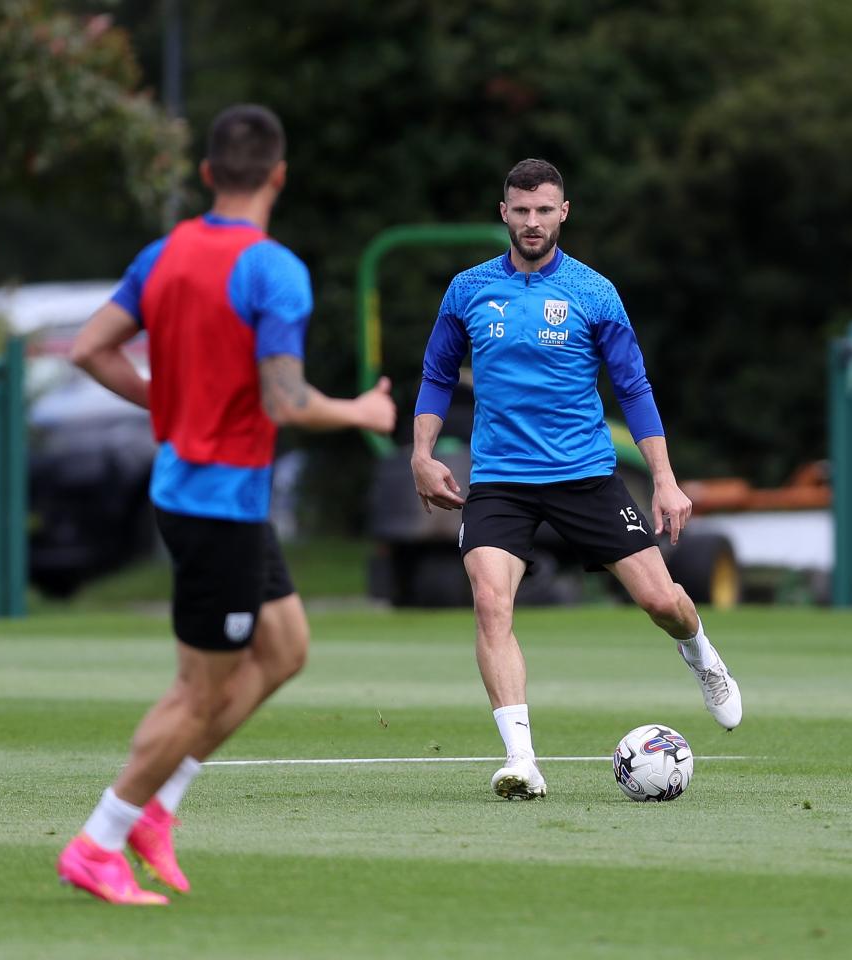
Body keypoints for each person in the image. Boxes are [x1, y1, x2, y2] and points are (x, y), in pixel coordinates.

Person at [56, 104, 396, 904]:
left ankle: (157, 809)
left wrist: (163, 402)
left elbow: (87, 347)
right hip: (216, 505)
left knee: (285, 649)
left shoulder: (165, 253)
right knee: (197, 694)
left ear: (209, 175)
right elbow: (285, 400)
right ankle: (100, 839)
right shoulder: (273, 268)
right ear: (278, 175)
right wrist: (361, 411)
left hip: (203, 495)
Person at [411, 158, 741, 800]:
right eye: (520, 209)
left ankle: (701, 652)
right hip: (501, 479)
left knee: (661, 602)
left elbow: (634, 388)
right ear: (502, 213)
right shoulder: (468, 290)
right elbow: (436, 374)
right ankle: (520, 761)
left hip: (586, 476)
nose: (532, 222)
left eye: (544, 210)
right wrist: (422, 453)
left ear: (564, 213)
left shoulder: (594, 293)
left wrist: (667, 480)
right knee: (489, 600)